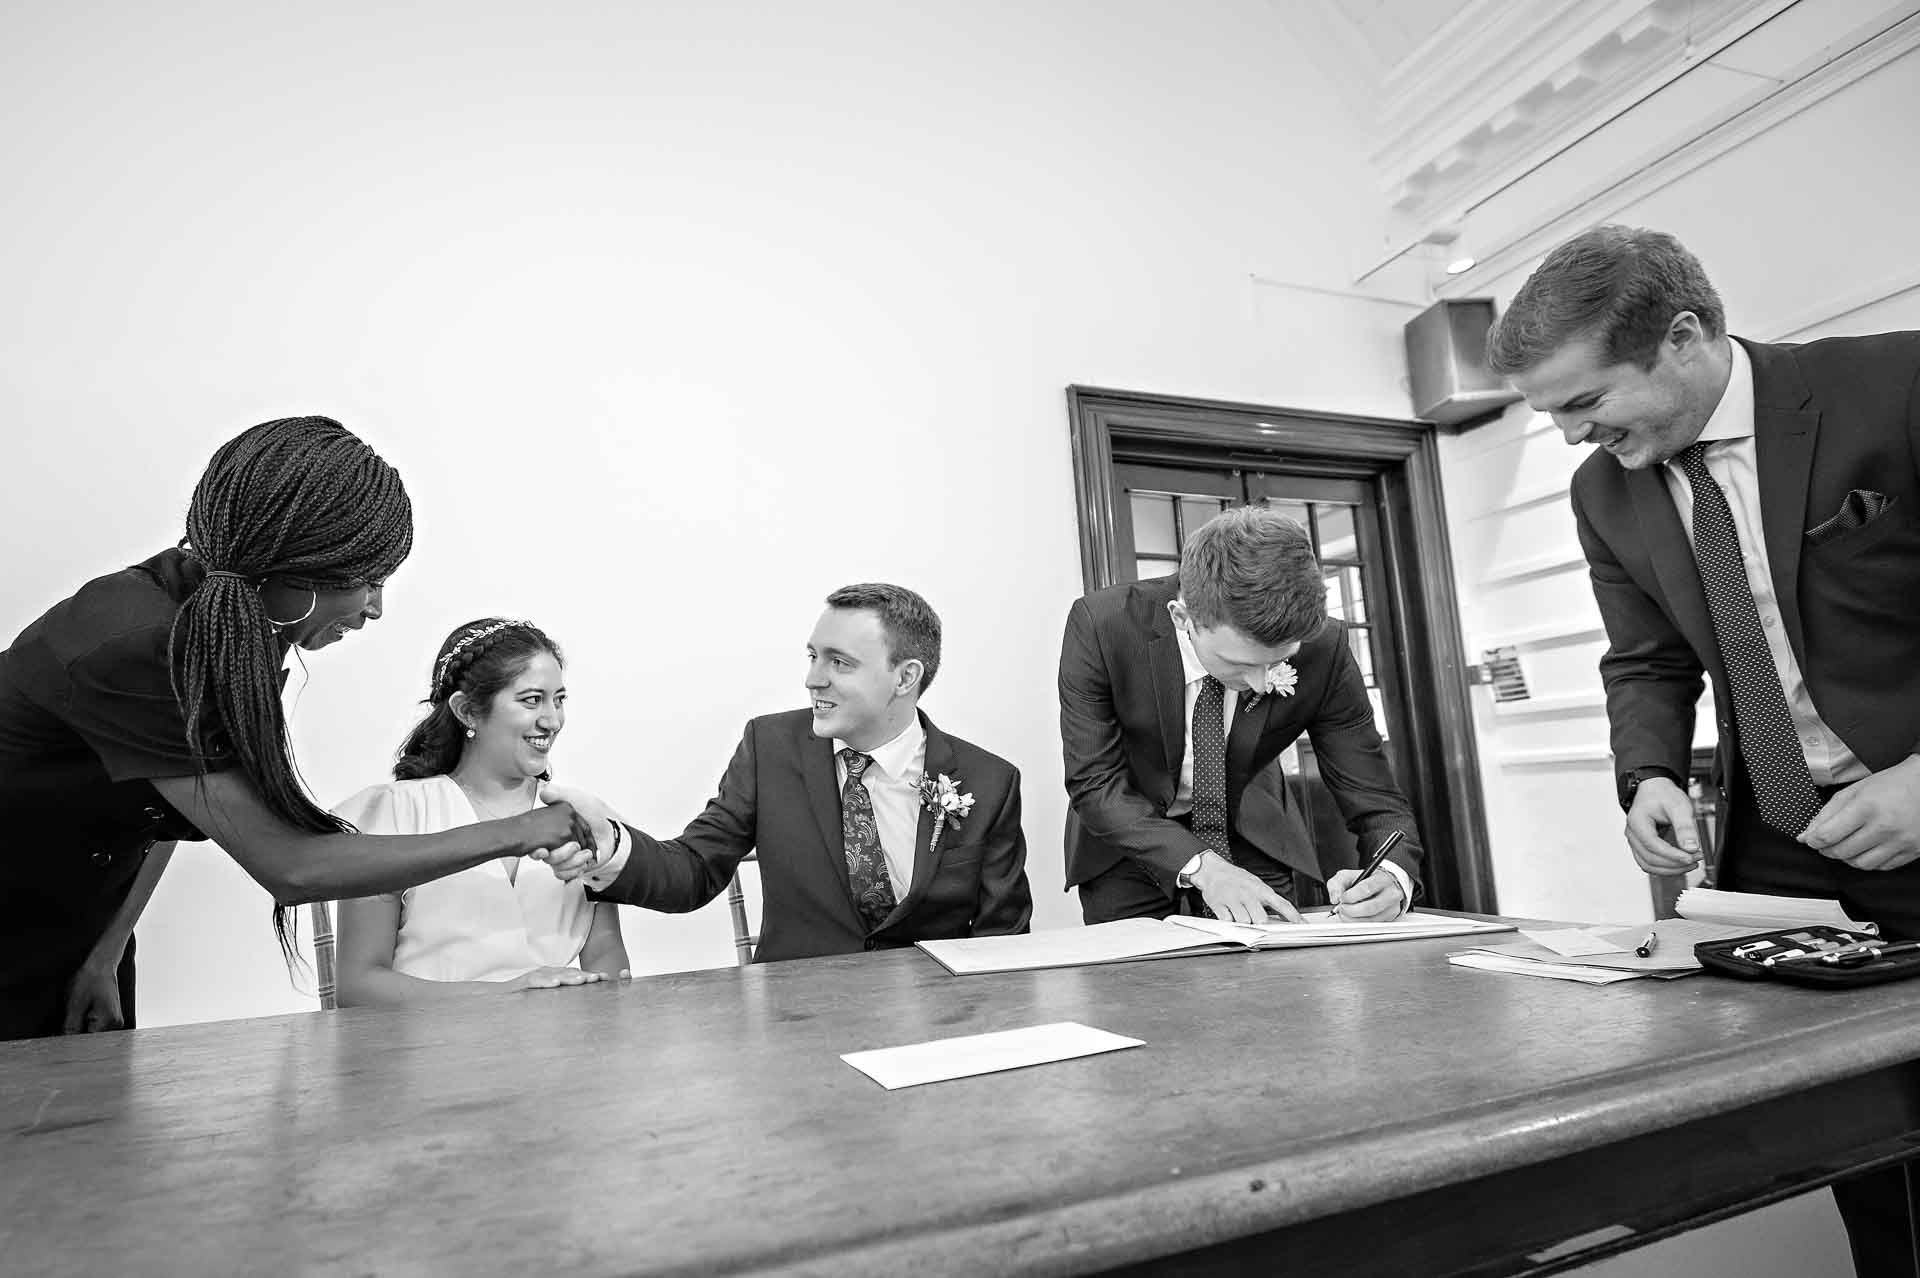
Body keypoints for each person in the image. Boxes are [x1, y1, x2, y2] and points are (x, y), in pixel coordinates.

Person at [1487, 224, 1920, 1278]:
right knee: (1864, 1134)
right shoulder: (1607, 491)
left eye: (1585, 403)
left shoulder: (1897, 385)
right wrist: (1648, 775)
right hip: (1779, 847)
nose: (1573, 436)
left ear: (1682, 337)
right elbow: (1643, 660)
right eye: (1551, 415)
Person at [0, 417, 598, 1041]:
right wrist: (516, 832)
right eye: (368, 581)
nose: (375, 608)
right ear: (301, 569)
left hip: (80, 930)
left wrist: (104, 949)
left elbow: (172, 804)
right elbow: (294, 867)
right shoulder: (135, 644)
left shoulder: (229, 634)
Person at [570, 583, 1031, 961]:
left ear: (905, 678)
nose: (813, 679)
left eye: (839, 662)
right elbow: (694, 870)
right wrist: (611, 844)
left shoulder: (989, 781)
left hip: (936, 1029)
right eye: (813, 657)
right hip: (796, 1021)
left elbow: (1003, 942)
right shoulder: (770, 748)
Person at [1059, 503, 1423, 926]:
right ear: (1184, 618)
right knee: (1136, 983)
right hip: (1129, 838)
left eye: (1276, 663)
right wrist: (1203, 866)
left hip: (1252, 829)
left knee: (1276, 979)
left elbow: (1374, 794)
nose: (1258, 683)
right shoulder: (1104, 626)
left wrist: (1394, 874)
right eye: (1237, 664)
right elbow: (1094, 781)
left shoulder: (1325, 647)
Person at [332, 619, 628, 1005]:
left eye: (559, 699)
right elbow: (358, 987)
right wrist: (505, 993)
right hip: (429, 1052)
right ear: (468, 711)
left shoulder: (575, 814)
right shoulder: (395, 815)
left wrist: (600, 999)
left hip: (560, 1050)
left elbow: (606, 955)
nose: (553, 720)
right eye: (532, 700)